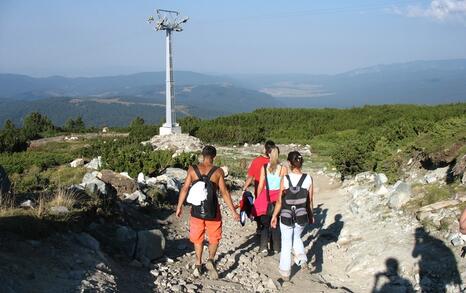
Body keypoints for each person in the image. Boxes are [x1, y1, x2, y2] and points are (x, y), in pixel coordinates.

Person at [176, 145, 240, 279]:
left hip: (196, 212)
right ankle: (210, 259)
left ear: (202, 155)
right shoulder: (218, 172)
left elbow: (185, 188)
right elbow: (224, 192)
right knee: (214, 238)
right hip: (213, 212)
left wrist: (179, 206)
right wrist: (233, 211)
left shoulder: (192, 169)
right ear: (214, 157)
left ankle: (198, 265)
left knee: (198, 239)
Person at [271, 151, 314, 281]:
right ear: (301, 163)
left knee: (286, 242)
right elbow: (310, 200)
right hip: (302, 214)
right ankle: (301, 257)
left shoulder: (285, 179)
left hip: (286, 214)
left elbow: (279, 201)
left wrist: (274, 216)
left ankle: (285, 273)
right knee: (297, 236)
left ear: (289, 163)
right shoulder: (308, 178)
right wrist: (311, 215)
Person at [253, 146, 286, 256]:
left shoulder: (264, 167)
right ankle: (276, 247)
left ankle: (263, 247)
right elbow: (284, 185)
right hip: (278, 197)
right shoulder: (283, 168)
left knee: (265, 223)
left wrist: (257, 199)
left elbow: (261, 185)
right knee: (276, 220)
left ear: (269, 154)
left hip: (265, 196)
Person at [243, 140, 276, 232]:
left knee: (259, 210)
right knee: (272, 209)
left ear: (265, 149)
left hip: (260, 190)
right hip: (273, 191)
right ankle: (272, 228)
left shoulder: (256, 161)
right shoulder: (275, 162)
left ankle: (259, 228)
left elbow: (250, 176)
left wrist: (244, 187)